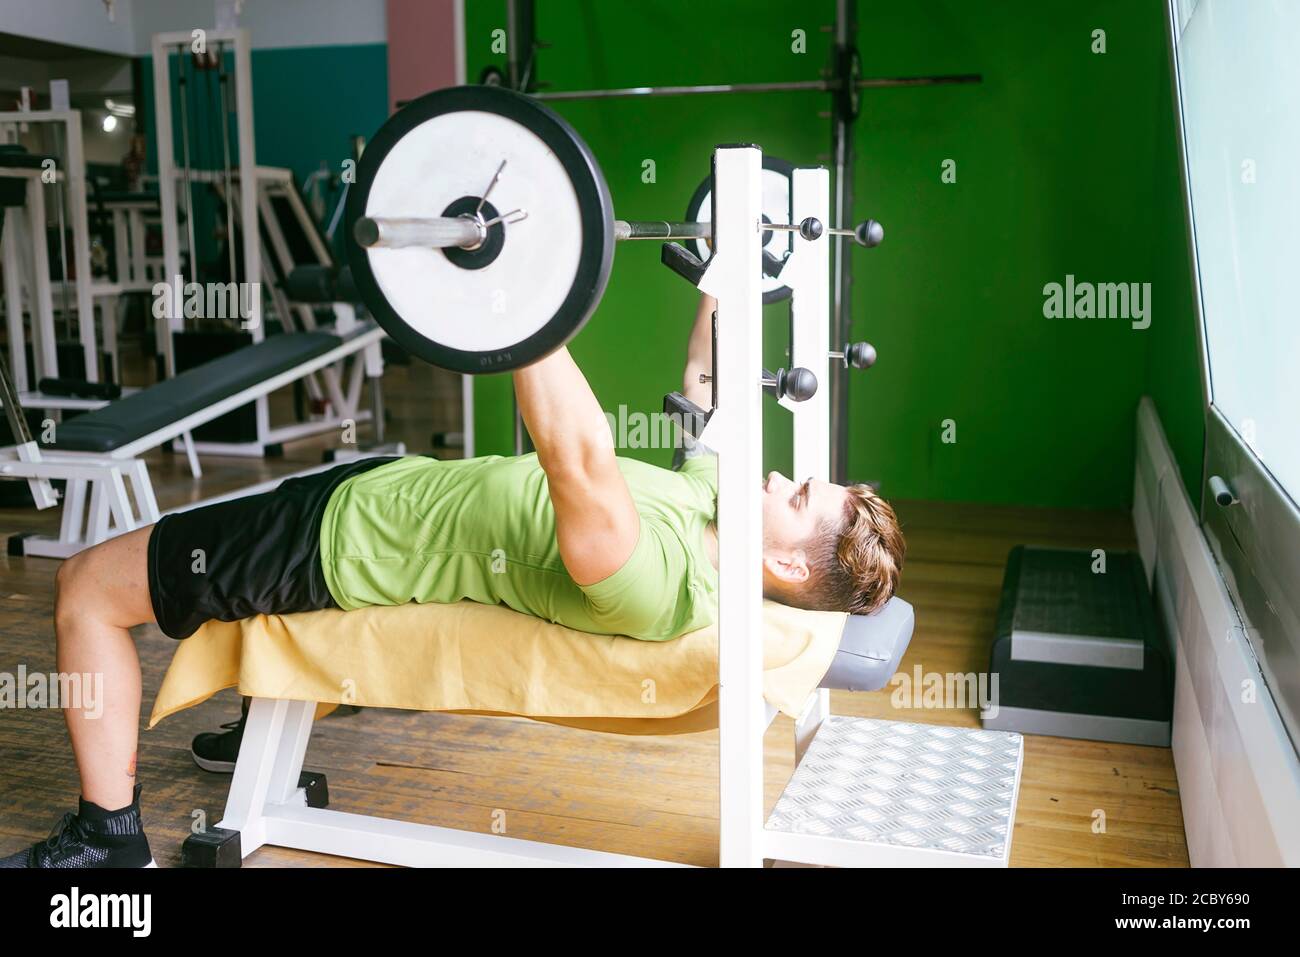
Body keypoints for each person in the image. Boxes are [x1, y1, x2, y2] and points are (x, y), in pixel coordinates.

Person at [0, 295, 904, 868]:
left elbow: (578, 454)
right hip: (374, 490)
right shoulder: (715, 506)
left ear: (785, 564)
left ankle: (104, 839)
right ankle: (251, 738)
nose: (779, 477)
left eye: (798, 494)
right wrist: (720, 275)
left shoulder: (659, 579)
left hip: (335, 548)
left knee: (86, 585)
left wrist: (520, 299)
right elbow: (705, 387)